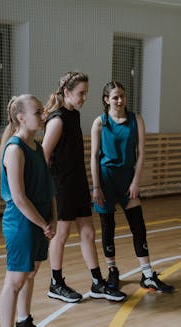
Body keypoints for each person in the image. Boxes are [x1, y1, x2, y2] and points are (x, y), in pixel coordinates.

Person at [42, 72, 126, 304]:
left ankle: (98, 282)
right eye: (81, 93)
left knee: (88, 232)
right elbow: (44, 156)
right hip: (62, 186)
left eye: (86, 93)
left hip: (77, 183)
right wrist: (50, 189)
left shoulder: (74, 116)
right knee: (61, 234)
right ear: (67, 92)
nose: (85, 97)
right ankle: (56, 283)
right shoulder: (57, 119)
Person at [91, 81, 174, 293]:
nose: (120, 100)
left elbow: (142, 153)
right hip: (106, 179)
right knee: (108, 228)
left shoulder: (136, 120)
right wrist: (96, 187)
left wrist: (136, 181)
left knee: (138, 226)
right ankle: (112, 270)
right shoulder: (100, 123)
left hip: (128, 180)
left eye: (122, 96)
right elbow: (93, 157)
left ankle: (147, 274)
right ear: (106, 100)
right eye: (115, 97)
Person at [0, 94, 57, 327]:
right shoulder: (14, 149)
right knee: (15, 281)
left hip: (39, 221)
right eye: (38, 112)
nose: (43, 116)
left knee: (30, 273)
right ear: (21, 117)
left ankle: (24, 322)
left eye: (43, 111)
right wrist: (44, 224)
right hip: (21, 224)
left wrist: (53, 216)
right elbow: (20, 199)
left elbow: (47, 187)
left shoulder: (37, 146)